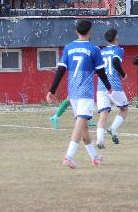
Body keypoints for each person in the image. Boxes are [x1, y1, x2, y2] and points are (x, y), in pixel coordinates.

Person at [45, 20, 112, 168]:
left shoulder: (69, 48)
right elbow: (100, 71)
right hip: (85, 92)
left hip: (73, 92)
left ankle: (95, 157)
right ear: (91, 31)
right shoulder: (94, 49)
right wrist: (108, 87)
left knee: (84, 127)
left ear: (76, 32)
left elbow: (61, 70)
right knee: (80, 124)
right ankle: (69, 156)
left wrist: (52, 90)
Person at [96, 29, 129, 148]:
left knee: (103, 114)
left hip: (101, 86)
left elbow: (97, 70)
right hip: (114, 86)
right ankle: (112, 128)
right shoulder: (119, 50)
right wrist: (123, 73)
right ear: (115, 37)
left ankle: (100, 140)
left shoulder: (101, 51)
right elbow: (115, 61)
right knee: (124, 109)